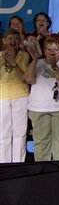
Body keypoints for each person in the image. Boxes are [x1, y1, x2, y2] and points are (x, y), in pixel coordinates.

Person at [25, 37, 59, 161]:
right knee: (41, 145)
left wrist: (54, 67)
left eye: (56, 49)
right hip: (39, 109)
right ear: (44, 50)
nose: (53, 52)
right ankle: (42, 175)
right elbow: (29, 80)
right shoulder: (37, 63)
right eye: (49, 49)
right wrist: (35, 59)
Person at [0, 29, 30, 163]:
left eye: (16, 39)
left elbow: (24, 78)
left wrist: (13, 62)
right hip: (2, 96)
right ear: (4, 41)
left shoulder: (24, 56)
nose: (13, 42)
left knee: (20, 133)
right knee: (3, 133)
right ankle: (4, 165)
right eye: (10, 38)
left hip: (21, 96)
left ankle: (18, 164)